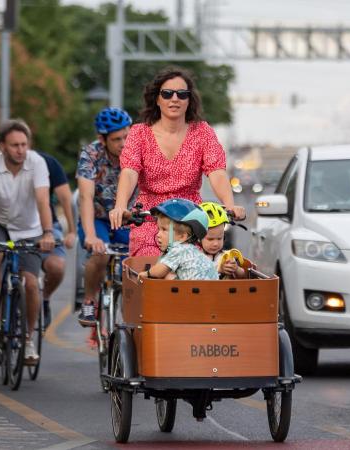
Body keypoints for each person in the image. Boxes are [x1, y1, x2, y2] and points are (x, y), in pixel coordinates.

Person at [108, 66, 245, 256]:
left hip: (190, 219)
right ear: (157, 98)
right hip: (150, 218)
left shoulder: (202, 132)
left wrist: (229, 204)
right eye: (167, 93)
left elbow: (217, 171)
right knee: (150, 267)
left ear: (189, 101)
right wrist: (121, 206)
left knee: (198, 269)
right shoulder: (139, 132)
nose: (174, 99)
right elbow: (129, 171)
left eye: (182, 94)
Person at [0, 119, 55, 366]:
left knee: (31, 283)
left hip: (28, 228)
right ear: (2, 146)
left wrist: (48, 233)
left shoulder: (37, 163)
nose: (20, 150)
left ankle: (29, 338)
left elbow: (43, 199)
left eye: (24, 144)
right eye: (14, 145)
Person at [76, 107, 135, 326]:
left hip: (128, 217)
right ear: (102, 139)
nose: (123, 143)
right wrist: (91, 236)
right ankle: (90, 301)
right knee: (100, 253)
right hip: (98, 216)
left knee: (139, 256)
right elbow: (85, 195)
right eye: (116, 139)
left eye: (126, 136)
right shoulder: (90, 154)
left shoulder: (140, 152)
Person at [36, 151, 77, 329]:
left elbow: (65, 197)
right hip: (11, 227)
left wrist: (71, 231)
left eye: (23, 144)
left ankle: (44, 298)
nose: (19, 150)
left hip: (47, 226)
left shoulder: (48, 162)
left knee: (57, 267)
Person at [137, 199, 217, 281]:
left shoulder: (178, 250)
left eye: (164, 230)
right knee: (169, 276)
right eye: (158, 229)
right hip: (211, 288)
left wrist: (147, 273)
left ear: (182, 237)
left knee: (166, 277)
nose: (158, 234)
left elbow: (159, 271)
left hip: (194, 290)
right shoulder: (191, 250)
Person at [199, 201, 247, 279]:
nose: (216, 243)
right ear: (198, 237)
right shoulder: (195, 257)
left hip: (227, 290)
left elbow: (243, 277)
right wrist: (219, 270)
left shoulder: (227, 256)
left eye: (219, 238)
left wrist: (236, 269)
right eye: (210, 239)